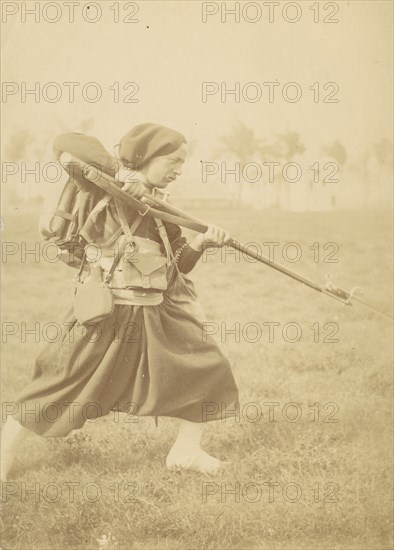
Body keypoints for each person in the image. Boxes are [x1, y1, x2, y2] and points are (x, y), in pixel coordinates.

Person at [1, 123, 239, 480]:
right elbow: (68, 143)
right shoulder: (104, 192)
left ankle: (186, 453)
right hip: (105, 312)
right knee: (59, 381)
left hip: (156, 311)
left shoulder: (161, 208)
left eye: (182, 163)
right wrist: (120, 174)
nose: (178, 170)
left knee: (207, 366)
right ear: (145, 157)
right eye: (172, 160)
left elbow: (178, 265)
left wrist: (202, 243)